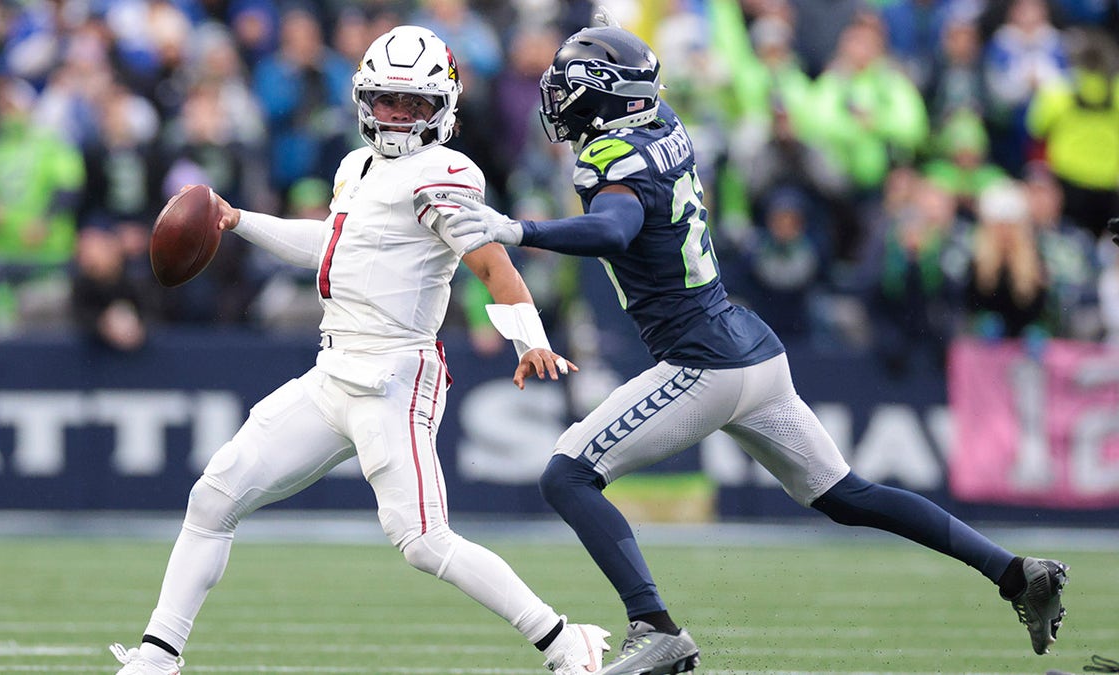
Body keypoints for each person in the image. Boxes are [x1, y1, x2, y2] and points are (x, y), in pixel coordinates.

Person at [444, 22, 1069, 675]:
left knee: (566, 473)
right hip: (749, 347)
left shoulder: (611, 159)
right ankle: (1015, 572)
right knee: (845, 493)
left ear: (607, 97)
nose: (558, 102)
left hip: (702, 358)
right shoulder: (664, 124)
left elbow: (614, 227)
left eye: (570, 90)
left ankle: (655, 627)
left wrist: (519, 228)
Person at [108, 26, 609, 675]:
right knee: (214, 495)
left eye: (412, 104)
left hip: (396, 375)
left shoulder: (445, 172)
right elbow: (331, 248)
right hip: (335, 370)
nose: (397, 116)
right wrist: (241, 221)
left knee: (425, 540)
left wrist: (529, 338)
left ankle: (569, 641)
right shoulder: (357, 166)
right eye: (386, 100)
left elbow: (490, 263)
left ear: (443, 107)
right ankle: (158, 654)